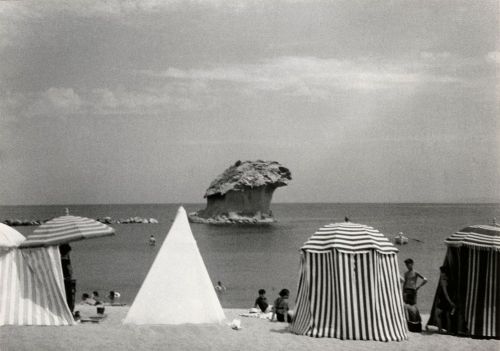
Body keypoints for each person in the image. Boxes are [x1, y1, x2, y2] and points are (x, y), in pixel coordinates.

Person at [401, 258, 427, 332]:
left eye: (408, 264)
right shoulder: (406, 273)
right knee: (406, 306)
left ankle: (416, 323)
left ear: (412, 264)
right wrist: (402, 292)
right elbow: (405, 283)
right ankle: (409, 324)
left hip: (412, 290)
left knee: (414, 306)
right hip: (406, 290)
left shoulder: (416, 272)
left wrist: (418, 287)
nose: (407, 266)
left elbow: (425, 279)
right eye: (406, 265)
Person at [435, 266, 456, 334]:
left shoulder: (443, 280)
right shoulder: (449, 279)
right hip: (447, 300)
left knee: (437, 314)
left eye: (441, 272)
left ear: (443, 272)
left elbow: (445, 292)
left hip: (444, 300)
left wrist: (450, 302)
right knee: (447, 315)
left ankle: (440, 330)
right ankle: (449, 331)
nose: (440, 273)